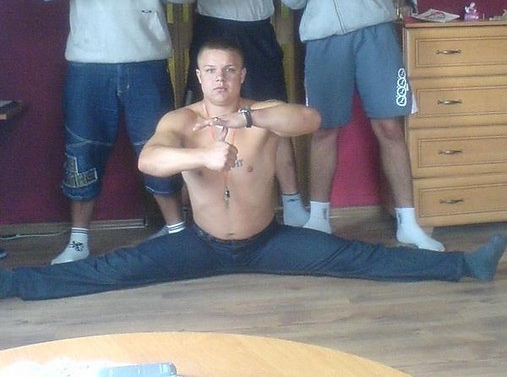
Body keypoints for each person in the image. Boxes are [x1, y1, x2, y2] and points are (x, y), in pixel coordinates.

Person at [0, 38, 504, 301]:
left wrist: (246, 119)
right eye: (210, 70)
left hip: (267, 241)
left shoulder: (262, 113)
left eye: (229, 70)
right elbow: (148, 159)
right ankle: (14, 284)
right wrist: (201, 157)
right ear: (198, 76)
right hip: (200, 244)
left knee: (361, 258)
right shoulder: (181, 120)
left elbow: (310, 120)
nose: (219, 79)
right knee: (109, 271)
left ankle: (466, 266)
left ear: (241, 75)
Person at [24, 0, 200, 264]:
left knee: (161, 147)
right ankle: (79, 242)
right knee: (82, 150)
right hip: (89, 68)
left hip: (146, 65)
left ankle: (177, 232)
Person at [274, 0, 444, 251]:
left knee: (390, 129)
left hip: (373, 31)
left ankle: (408, 224)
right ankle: (319, 222)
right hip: (323, 40)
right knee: (323, 130)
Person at [180, 0, 308, 227]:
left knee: (273, 116)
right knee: (207, 120)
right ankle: (204, 211)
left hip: (258, 30)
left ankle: (293, 203)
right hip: (214, 28)